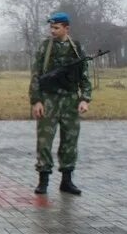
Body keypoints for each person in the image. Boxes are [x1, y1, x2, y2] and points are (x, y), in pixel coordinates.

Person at [30, 12, 92, 195]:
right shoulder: (45, 47)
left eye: (56, 28)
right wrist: (37, 101)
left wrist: (84, 99)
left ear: (66, 28)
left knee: (70, 141)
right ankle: (43, 180)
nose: (52, 31)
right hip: (48, 100)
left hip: (70, 101)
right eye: (51, 27)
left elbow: (84, 76)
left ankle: (67, 180)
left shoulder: (77, 48)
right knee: (44, 141)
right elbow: (35, 75)